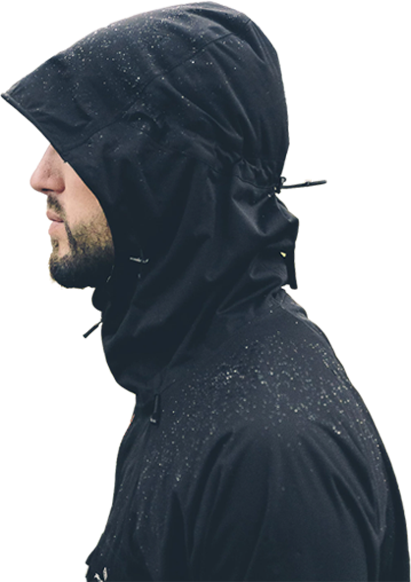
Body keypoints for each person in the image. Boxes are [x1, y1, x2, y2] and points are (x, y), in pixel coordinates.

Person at [2, 4, 408, 581]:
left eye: (75, 145)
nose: (42, 178)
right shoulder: (188, 379)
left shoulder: (268, 453)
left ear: (166, 171)